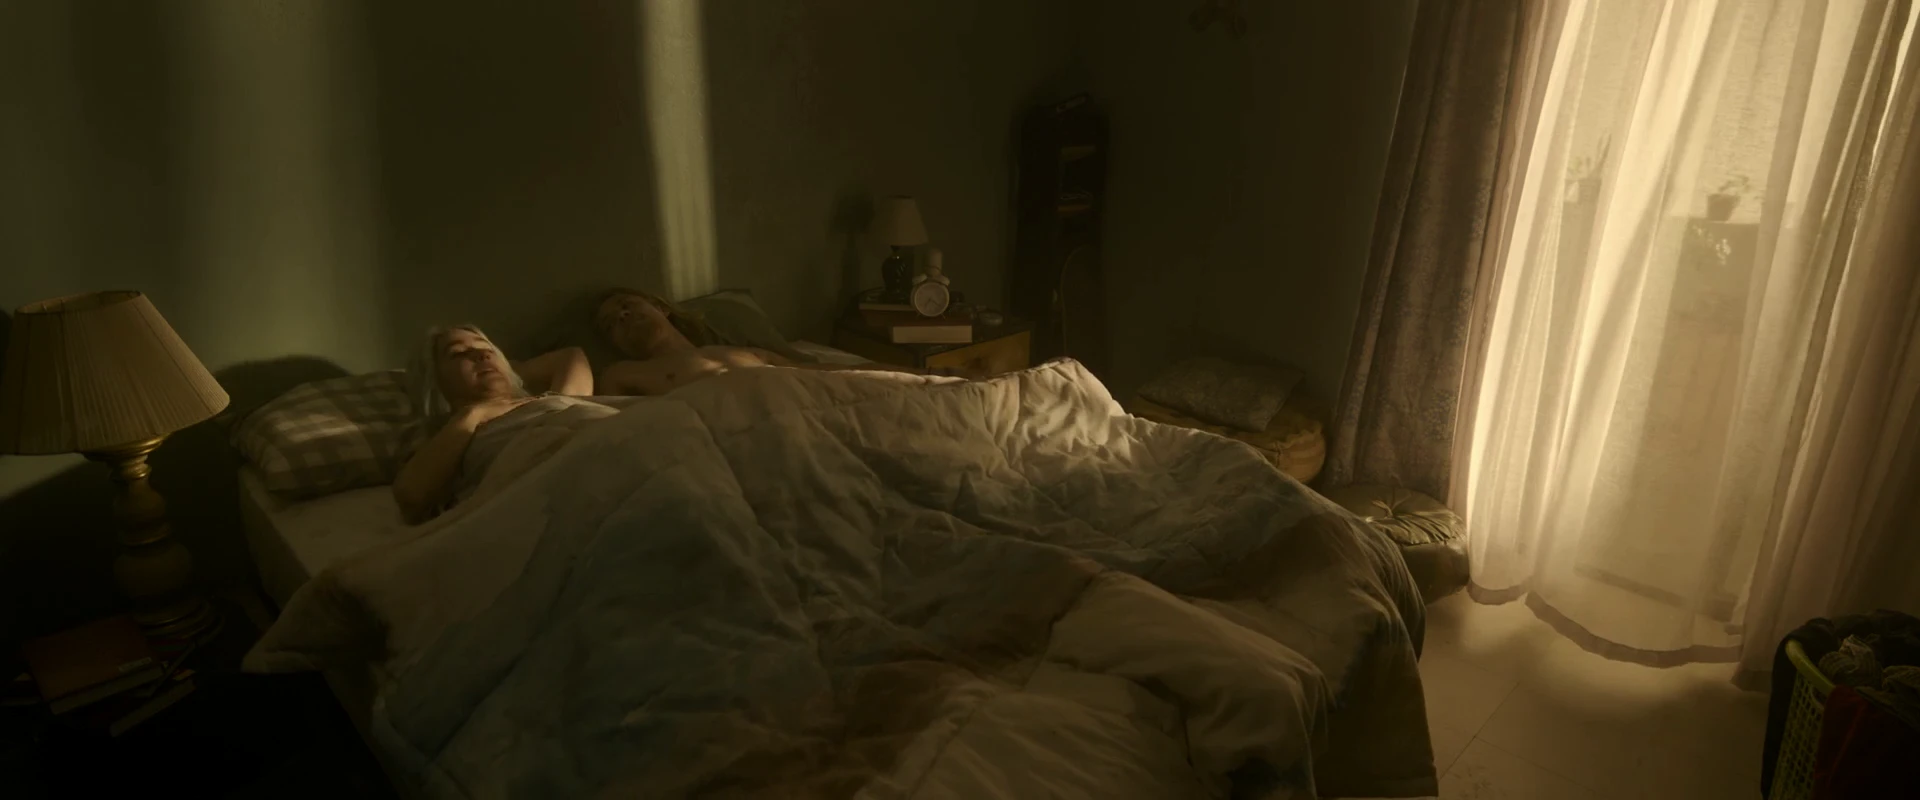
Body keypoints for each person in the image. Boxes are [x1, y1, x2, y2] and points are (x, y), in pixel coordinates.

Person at [392, 325, 604, 524]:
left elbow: (572, 357)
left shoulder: (553, 400)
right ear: (435, 379)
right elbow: (411, 497)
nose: (482, 355)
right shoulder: (456, 433)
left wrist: (510, 375)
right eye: (458, 353)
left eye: (487, 349)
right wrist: (474, 413)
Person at [592, 288, 928, 395]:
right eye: (610, 324)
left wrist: (921, 377)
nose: (622, 316)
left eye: (626, 305)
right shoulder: (622, 373)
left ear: (661, 308)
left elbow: (824, 373)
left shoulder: (743, 352)